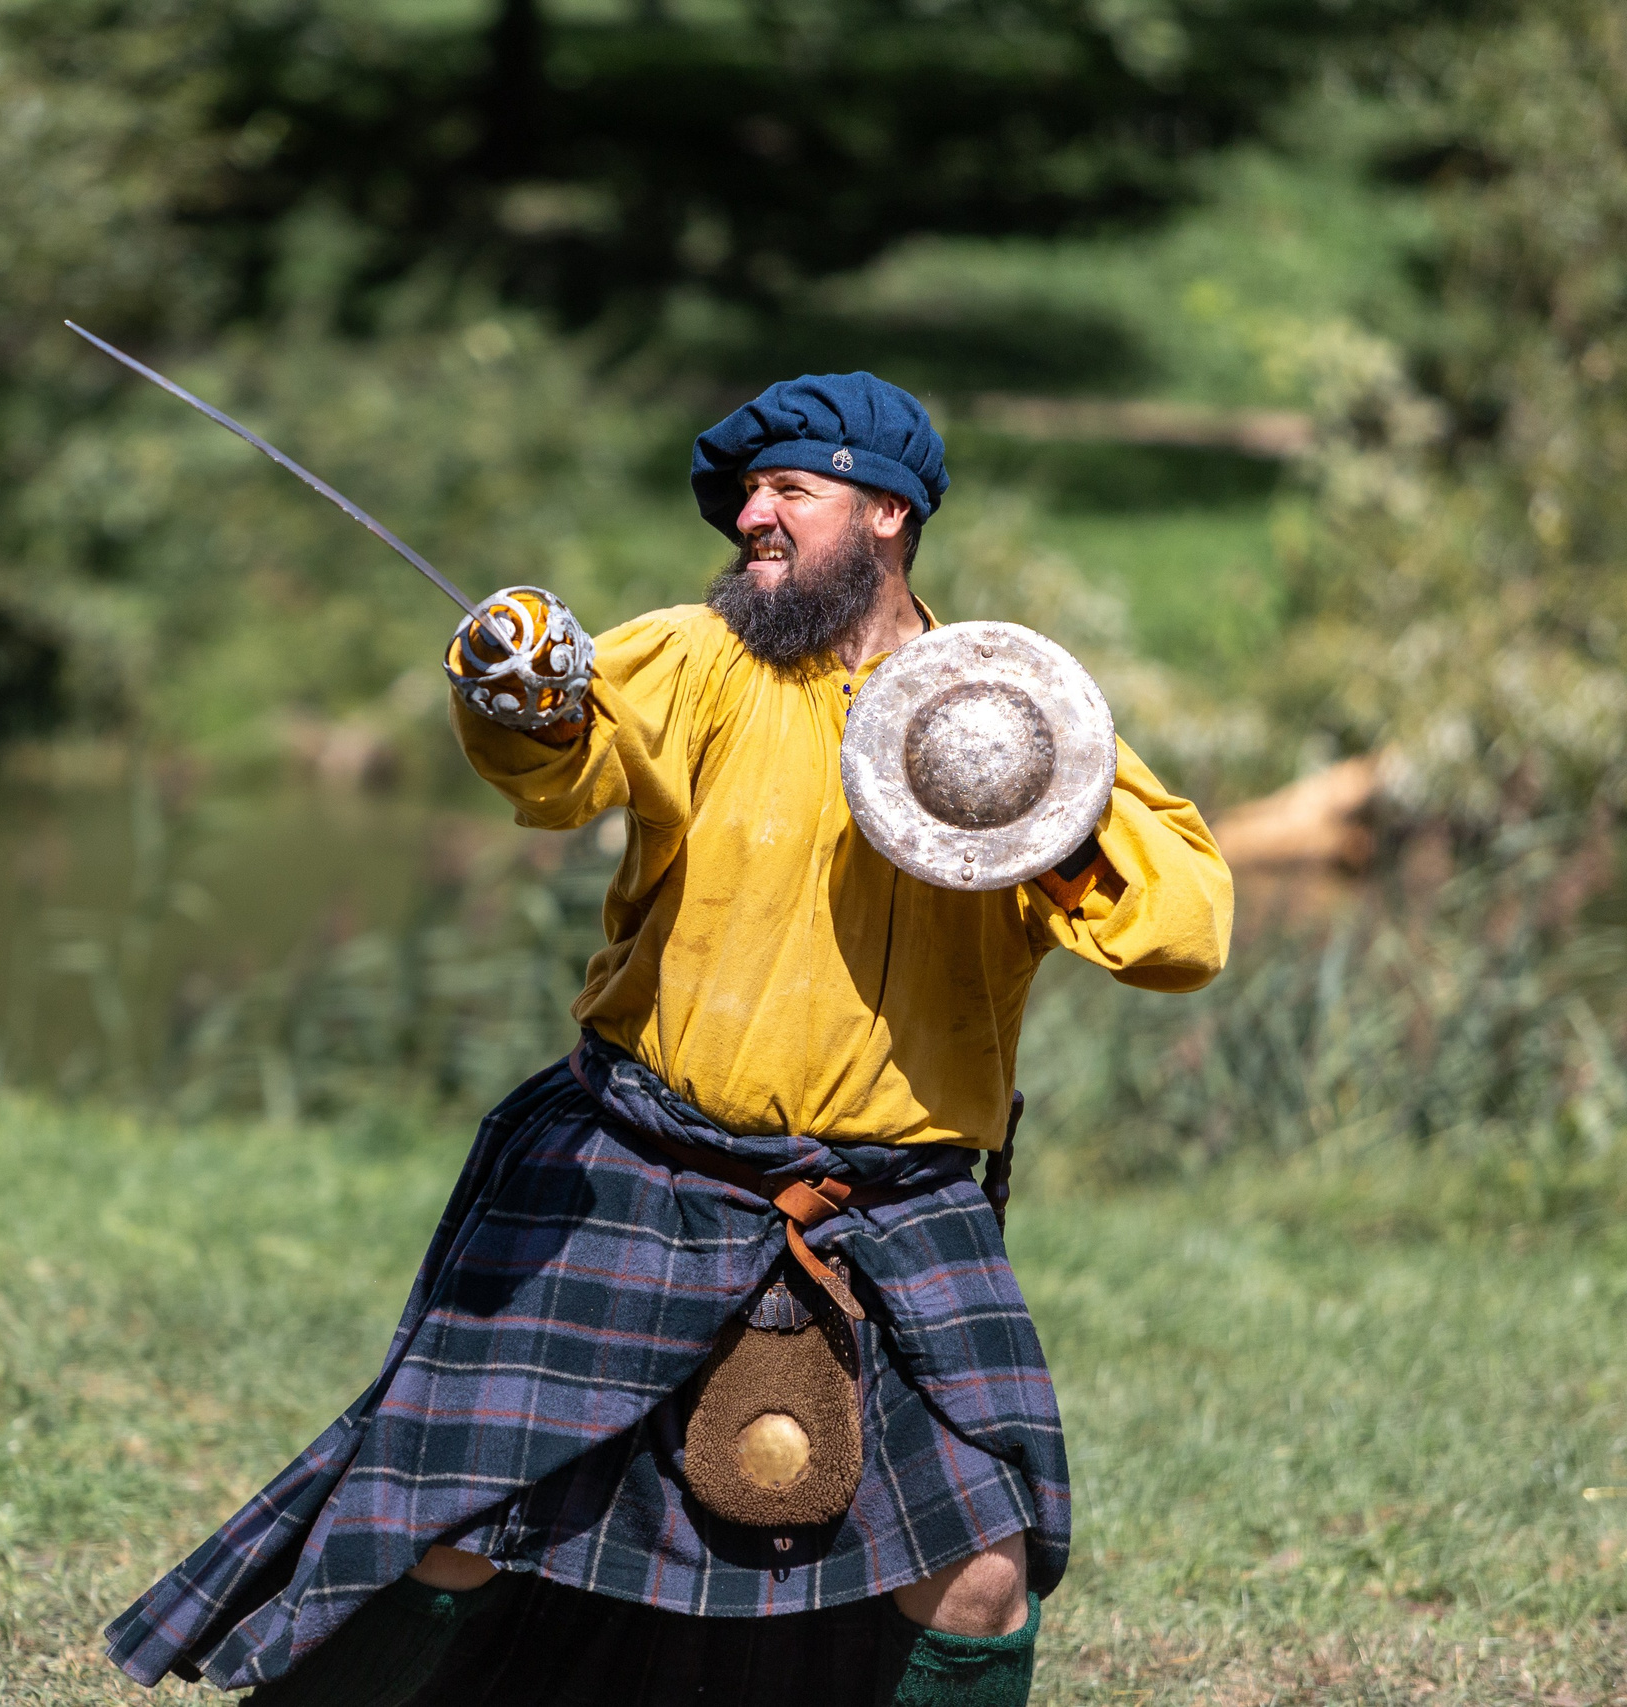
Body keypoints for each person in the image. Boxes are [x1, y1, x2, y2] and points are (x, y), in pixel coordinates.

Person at [104, 373, 1232, 1704]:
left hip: (893, 1207)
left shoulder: (1005, 711)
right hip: (645, 1167)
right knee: (448, 1523)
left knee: (982, 1573)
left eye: (789, 489)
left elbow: (1184, 932)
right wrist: (517, 692)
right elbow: (563, 755)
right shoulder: (699, 663)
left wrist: (1036, 814)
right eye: (745, 495)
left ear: (887, 513)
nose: (753, 516)